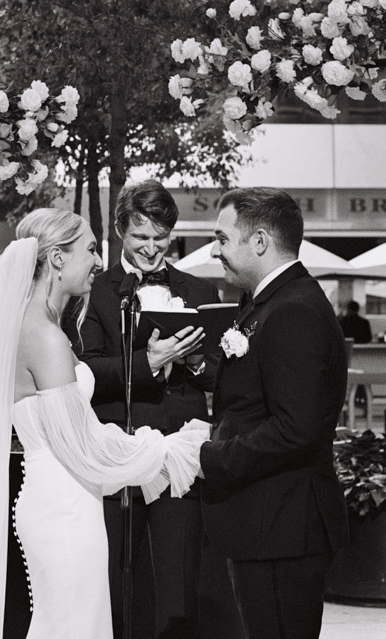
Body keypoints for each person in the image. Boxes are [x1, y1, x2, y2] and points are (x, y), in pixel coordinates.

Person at [0, 208, 210, 639]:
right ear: (57, 258)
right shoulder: (45, 337)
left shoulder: (38, 326)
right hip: (65, 508)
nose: (99, 262)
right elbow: (82, 447)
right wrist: (171, 449)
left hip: (62, 499)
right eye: (89, 249)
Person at [70, 180, 237, 639]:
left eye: (160, 238)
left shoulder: (198, 287)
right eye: (141, 237)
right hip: (118, 451)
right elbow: (85, 372)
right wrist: (151, 362)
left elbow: (221, 377)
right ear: (121, 230)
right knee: (116, 570)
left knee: (179, 571)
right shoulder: (94, 290)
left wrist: (198, 360)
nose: (151, 248)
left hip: (180, 455)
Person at [200, 187, 349, 639]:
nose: (214, 251)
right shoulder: (267, 303)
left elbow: (296, 429)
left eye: (223, 239)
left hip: (284, 528)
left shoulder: (292, 311)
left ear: (260, 241)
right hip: (266, 524)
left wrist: (208, 456)